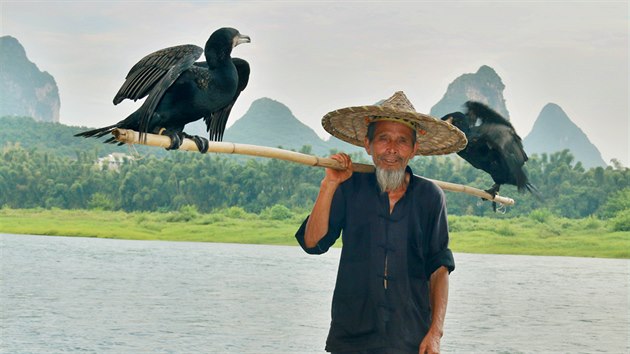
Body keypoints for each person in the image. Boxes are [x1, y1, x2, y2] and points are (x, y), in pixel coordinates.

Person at [295, 91, 467, 354]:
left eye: (402, 141)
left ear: (413, 149)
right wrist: (329, 184)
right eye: (383, 139)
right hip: (352, 336)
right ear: (368, 144)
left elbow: (439, 269)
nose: (392, 149)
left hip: (409, 338)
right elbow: (312, 242)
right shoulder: (348, 187)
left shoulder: (430, 196)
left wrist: (435, 332)